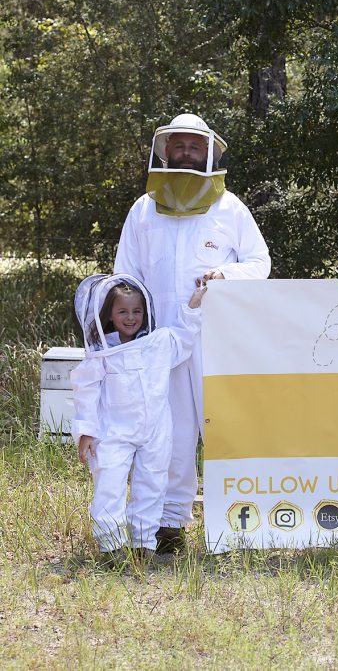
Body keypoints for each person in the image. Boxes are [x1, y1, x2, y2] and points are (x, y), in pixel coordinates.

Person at [114, 113, 271, 554]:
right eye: (178, 146)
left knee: (226, 428)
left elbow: (260, 264)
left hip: (218, 339)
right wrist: (131, 332)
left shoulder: (230, 208)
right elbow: (124, 277)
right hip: (160, 340)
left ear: (208, 153)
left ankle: (241, 522)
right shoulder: (143, 211)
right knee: (172, 433)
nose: (185, 153)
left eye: (193, 146)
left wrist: (226, 273)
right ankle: (169, 524)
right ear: (164, 152)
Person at [71, 274, 207, 563]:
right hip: (112, 433)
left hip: (156, 431)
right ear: (109, 314)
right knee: (109, 487)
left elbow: (184, 336)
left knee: (153, 486)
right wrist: (85, 432)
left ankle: (143, 547)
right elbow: (86, 393)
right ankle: (111, 549)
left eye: (136, 311)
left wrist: (194, 304)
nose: (131, 318)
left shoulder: (158, 343)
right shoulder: (101, 353)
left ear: (145, 313)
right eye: (122, 311)